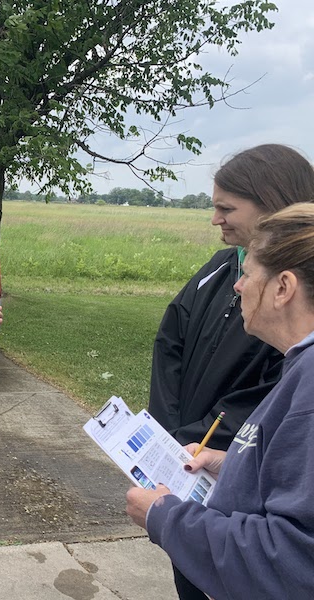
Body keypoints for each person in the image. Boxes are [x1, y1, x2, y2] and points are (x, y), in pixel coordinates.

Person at [147, 144, 314, 599]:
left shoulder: (305, 385)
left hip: (237, 524)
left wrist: (223, 439)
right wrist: (171, 430)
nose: (240, 283)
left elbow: (288, 557)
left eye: (226, 208)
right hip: (210, 478)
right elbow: (171, 342)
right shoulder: (220, 269)